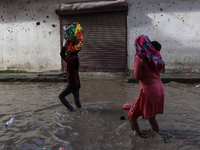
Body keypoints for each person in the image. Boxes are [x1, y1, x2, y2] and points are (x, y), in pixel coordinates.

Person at [128, 35, 165, 136]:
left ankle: (137, 139)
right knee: (152, 117)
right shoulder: (156, 54)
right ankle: (158, 136)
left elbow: (137, 76)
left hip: (148, 90)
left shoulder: (139, 57)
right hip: (159, 88)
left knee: (131, 116)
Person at [58, 38, 82, 112]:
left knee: (61, 96)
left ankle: (71, 109)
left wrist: (66, 43)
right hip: (77, 83)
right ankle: (80, 111)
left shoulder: (71, 60)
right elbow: (65, 53)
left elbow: (62, 53)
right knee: (77, 101)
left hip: (72, 84)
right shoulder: (76, 58)